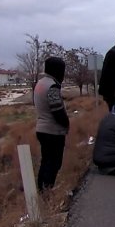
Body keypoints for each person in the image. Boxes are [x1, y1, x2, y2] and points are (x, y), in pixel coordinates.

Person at [34, 57, 70, 192]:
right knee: (54, 163)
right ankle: (47, 190)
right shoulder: (52, 86)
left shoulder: (41, 83)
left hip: (42, 128)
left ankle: (41, 189)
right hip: (53, 131)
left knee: (46, 161)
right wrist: (66, 124)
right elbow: (57, 110)